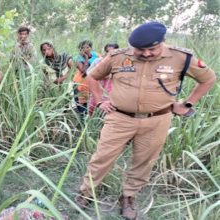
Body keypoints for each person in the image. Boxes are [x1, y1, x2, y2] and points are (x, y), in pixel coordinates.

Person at [76, 21, 216, 220]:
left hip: (157, 120)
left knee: (144, 161)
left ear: (163, 42)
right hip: (119, 118)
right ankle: (85, 193)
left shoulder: (181, 57)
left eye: (152, 49)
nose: (147, 53)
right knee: (102, 156)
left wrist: (187, 104)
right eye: (141, 50)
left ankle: (128, 198)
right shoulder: (119, 56)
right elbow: (91, 77)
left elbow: (209, 78)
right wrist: (100, 102)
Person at [86, 42, 119, 115]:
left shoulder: (119, 62)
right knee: (92, 107)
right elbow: (89, 73)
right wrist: (100, 74)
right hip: (98, 87)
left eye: (112, 51)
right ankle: (91, 124)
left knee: (109, 109)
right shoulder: (98, 61)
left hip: (111, 90)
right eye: (107, 51)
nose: (109, 54)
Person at [72, 40, 99, 115]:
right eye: (83, 48)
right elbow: (83, 71)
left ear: (91, 47)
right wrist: (86, 58)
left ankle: (90, 121)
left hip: (93, 83)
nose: (86, 49)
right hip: (81, 84)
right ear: (80, 49)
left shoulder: (96, 55)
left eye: (88, 47)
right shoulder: (77, 58)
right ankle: (83, 123)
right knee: (82, 106)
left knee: (93, 104)